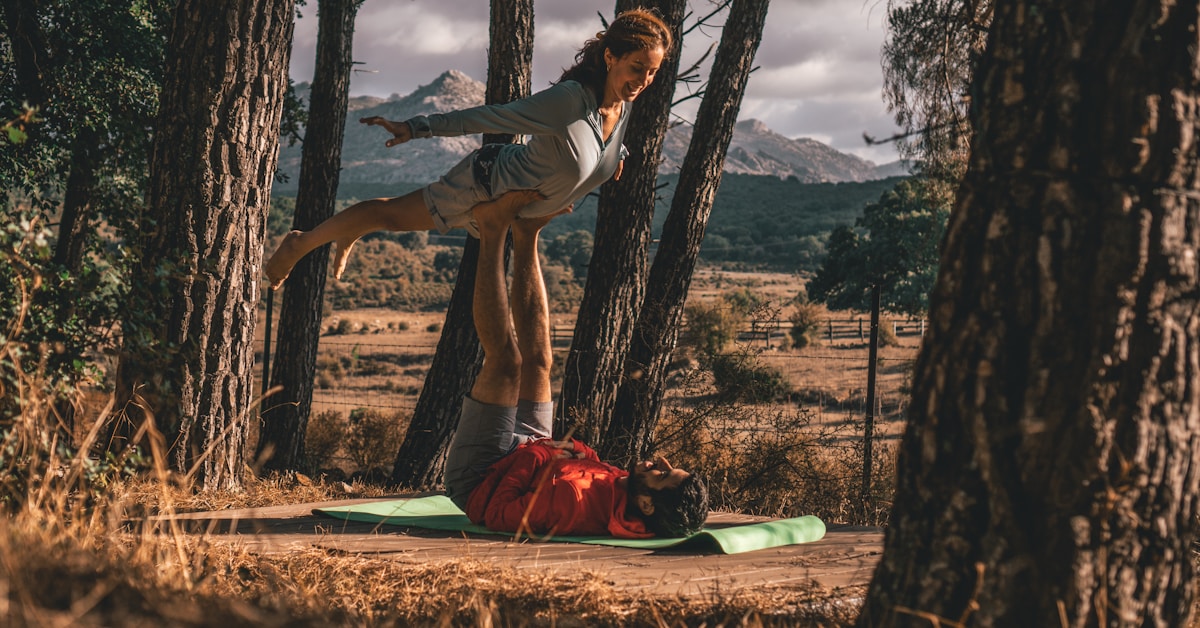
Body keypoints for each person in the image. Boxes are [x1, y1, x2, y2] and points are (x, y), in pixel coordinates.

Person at [264, 8, 673, 290]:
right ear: (610, 56)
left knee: (388, 217)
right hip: (484, 183)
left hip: (510, 209)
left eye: (652, 71)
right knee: (387, 214)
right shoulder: (568, 101)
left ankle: (347, 232)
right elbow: (490, 118)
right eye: (637, 66)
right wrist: (415, 126)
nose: (643, 79)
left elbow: (601, 142)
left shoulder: (624, 103)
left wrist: (616, 157)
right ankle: (301, 242)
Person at [443, 192, 708, 539]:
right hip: (532, 452)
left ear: (647, 504)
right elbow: (583, 464)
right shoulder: (624, 488)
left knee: (507, 363)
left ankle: (491, 231)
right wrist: (572, 450)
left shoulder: (574, 503)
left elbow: (494, 513)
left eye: (662, 475)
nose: (659, 462)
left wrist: (538, 455)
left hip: (483, 474)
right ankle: (526, 234)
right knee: (539, 362)